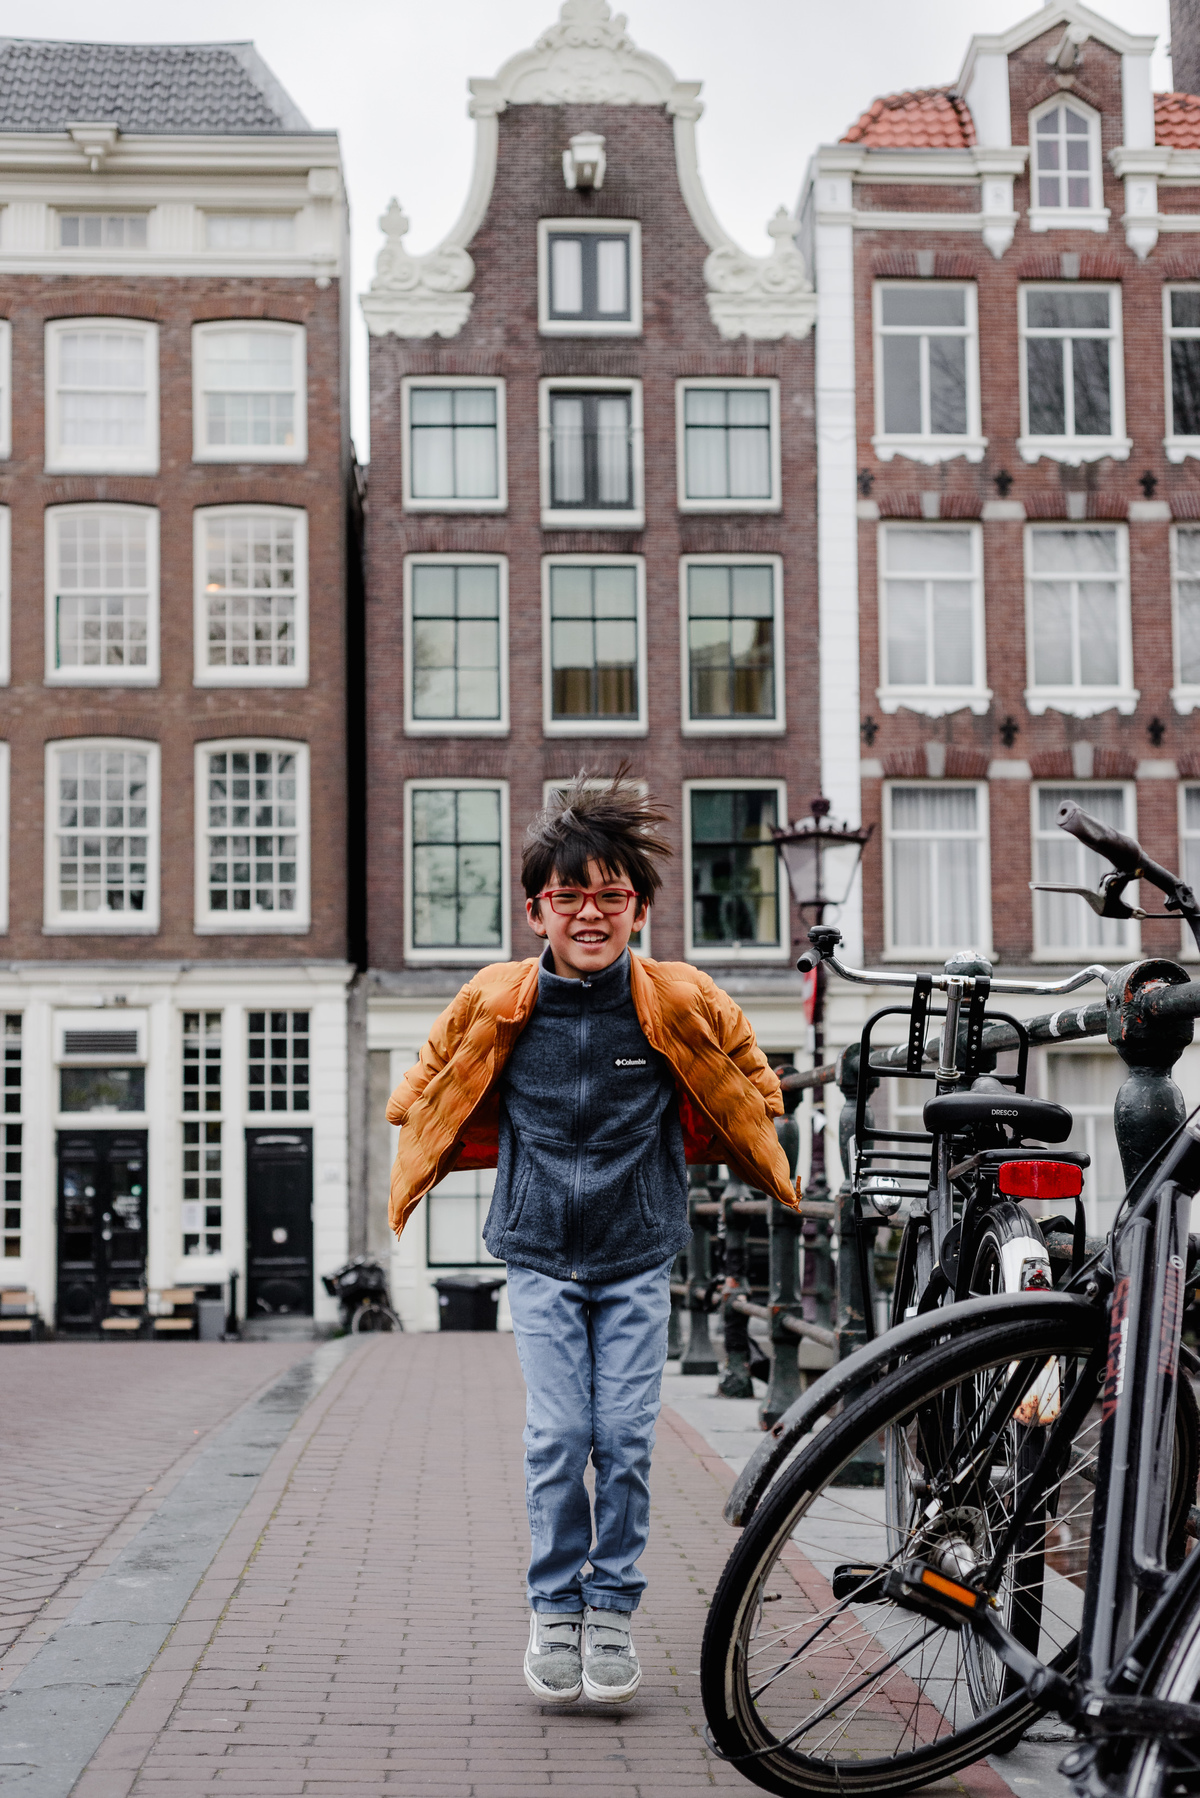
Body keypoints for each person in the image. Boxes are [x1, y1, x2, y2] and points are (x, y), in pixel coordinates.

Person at [386, 772, 799, 1706]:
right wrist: (416, 1118)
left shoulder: (675, 998)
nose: (590, 912)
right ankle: (553, 1608)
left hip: (638, 1251)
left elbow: (751, 1072)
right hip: (536, 1249)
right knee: (559, 1432)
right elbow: (427, 1077)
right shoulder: (498, 999)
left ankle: (609, 1606)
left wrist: (748, 1117)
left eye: (611, 896)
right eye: (569, 895)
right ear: (537, 910)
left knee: (623, 1438)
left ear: (640, 910)